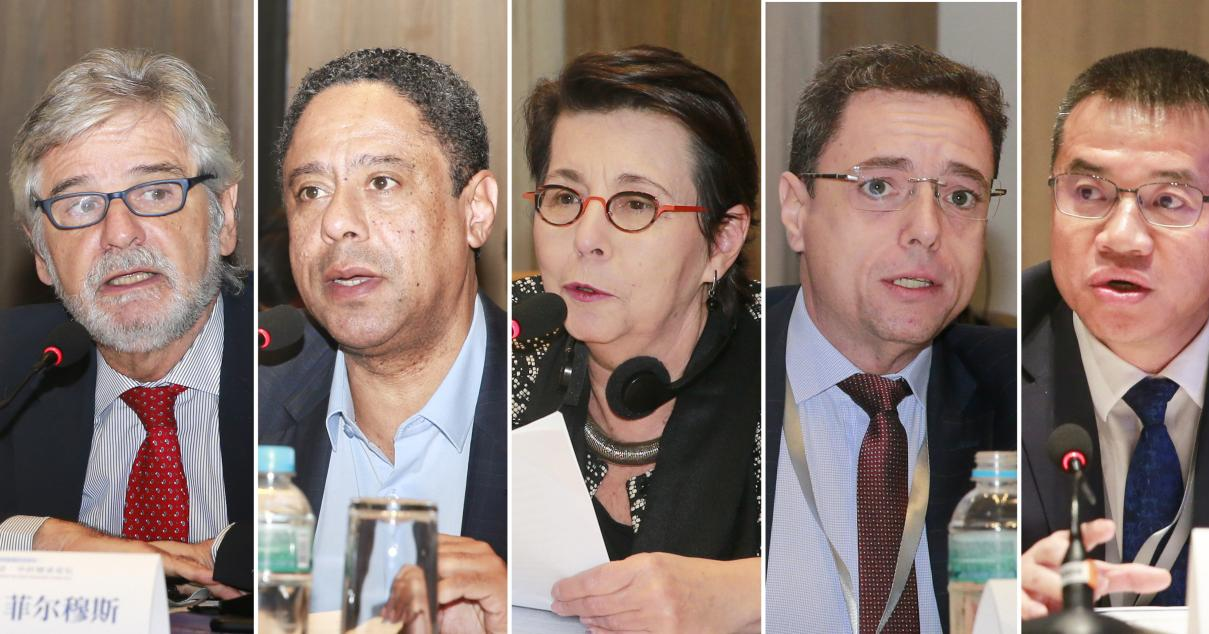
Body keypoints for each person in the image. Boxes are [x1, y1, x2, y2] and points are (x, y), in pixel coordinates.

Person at [765, 44, 1016, 633]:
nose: (927, 230)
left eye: (960, 196)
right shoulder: (713, 363)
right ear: (796, 211)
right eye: (880, 186)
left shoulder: (1021, 393)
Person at [513, 45, 760, 632]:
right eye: (565, 198)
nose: (586, 238)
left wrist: (751, 595)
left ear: (722, 240)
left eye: (635, 204)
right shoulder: (510, 341)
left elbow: (870, 575)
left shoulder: (788, 368)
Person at [259, 48, 507, 632]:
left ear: (476, 210)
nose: (336, 222)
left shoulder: (559, 407)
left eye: (382, 181)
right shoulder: (253, 409)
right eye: (310, 191)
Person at [1020, 48, 1209, 617]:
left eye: (1168, 201)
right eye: (1088, 192)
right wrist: (995, 600)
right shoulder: (976, 374)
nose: (1121, 239)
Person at [0, 48, 252, 597]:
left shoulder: (303, 355)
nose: (119, 233)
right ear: (41, 253)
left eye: (155, 192)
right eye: (80, 205)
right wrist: (36, 541)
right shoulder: (12, 371)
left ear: (224, 217)